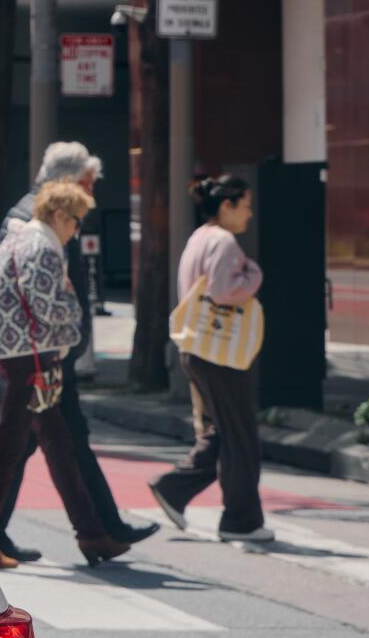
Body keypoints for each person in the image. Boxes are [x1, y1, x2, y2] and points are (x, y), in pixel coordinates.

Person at [0, 142, 158, 562]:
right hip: (40, 352)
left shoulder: (40, 211)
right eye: (87, 183)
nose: (92, 193)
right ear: (66, 183)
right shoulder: (34, 216)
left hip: (46, 350)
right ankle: (95, 530)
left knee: (53, 441)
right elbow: (30, 288)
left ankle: (95, 529)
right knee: (45, 442)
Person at [0, 180, 130, 569]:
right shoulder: (40, 245)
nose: (78, 230)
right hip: (28, 353)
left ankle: (92, 533)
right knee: (11, 444)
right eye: (76, 221)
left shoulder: (27, 239)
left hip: (21, 350)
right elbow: (47, 305)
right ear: (58, 214)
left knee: (56, 441)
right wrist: (74, 320)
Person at [149, 175, 273, 543]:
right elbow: (224, 290)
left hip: (196, 348)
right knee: (242, 438)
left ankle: (173, 488)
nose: (250, 214)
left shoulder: (199, 237)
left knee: (223, 431)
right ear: (227, 205)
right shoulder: (223, 241)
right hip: (218, 352)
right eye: (246, 205)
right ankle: (241, 520)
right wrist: (253, 273)